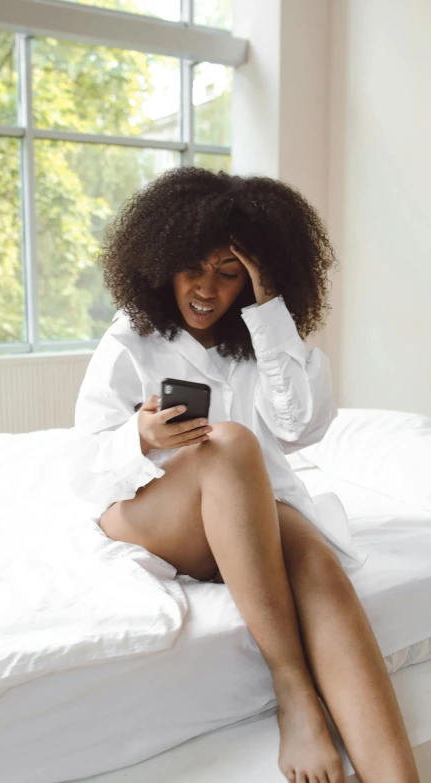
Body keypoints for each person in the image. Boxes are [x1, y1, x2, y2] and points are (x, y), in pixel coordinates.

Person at [71, 168, 419, 783]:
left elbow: (301, 427)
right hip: (154, 515)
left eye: (228, 274)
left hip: (242, 517)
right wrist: (141, 439)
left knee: (317, 562)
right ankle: (296, 695)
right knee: (230, 442)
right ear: (162, 262)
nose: (206, 288)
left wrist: (269, 308)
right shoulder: (131, 337)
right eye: (192, 268)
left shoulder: (261, 336)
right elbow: (87, 474)